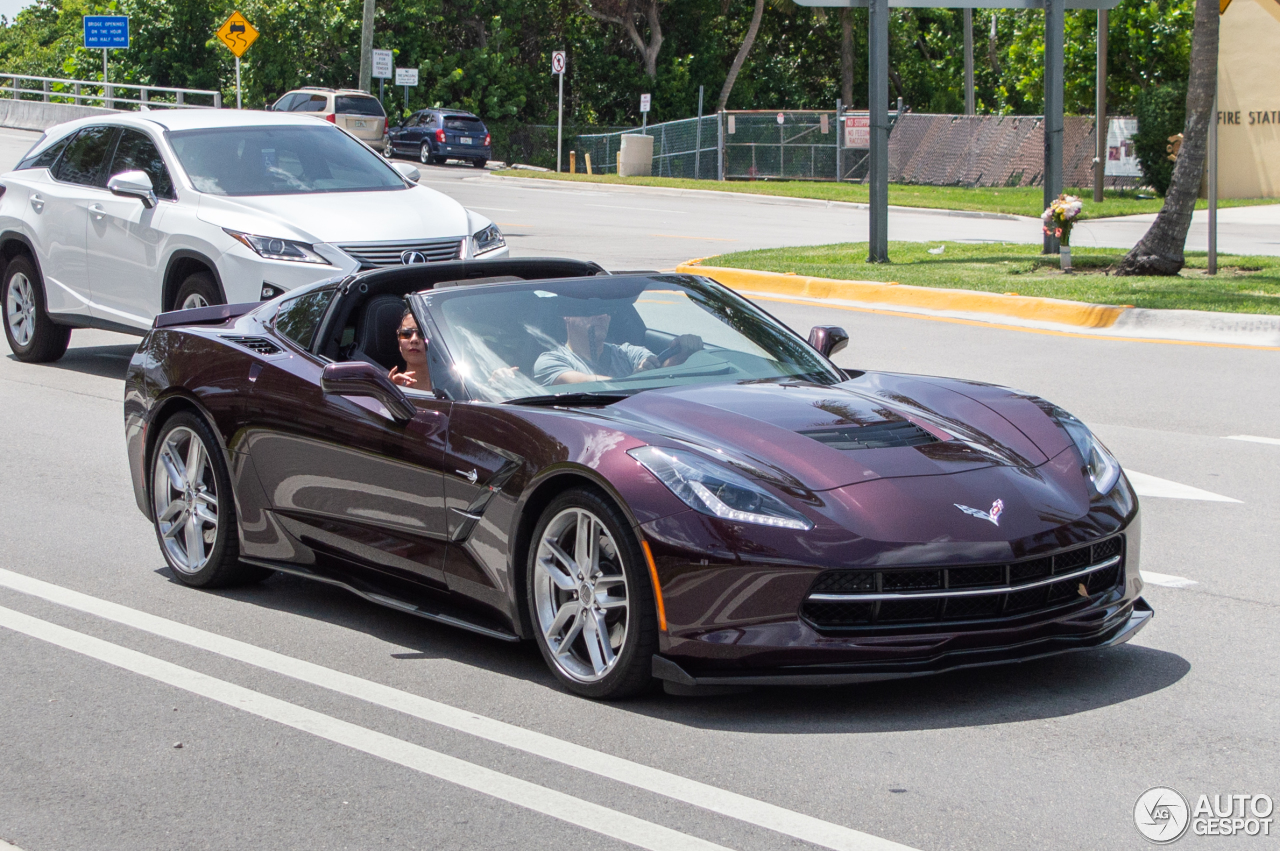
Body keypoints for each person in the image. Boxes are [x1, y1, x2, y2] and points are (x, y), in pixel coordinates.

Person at [534, 310, 701, 386]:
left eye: (606, 311)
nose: (600, 316)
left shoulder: (628, 352)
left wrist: (681, 355)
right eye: (589, 311)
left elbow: (659, 369)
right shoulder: (549, 362)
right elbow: (585, 384)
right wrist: (632, 381)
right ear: (567, 317)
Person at [389, 308, 431, 391]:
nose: (414, 340)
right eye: (406, 333)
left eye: (422, 333)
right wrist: (390, 393)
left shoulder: (460, 387)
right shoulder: (387, 387)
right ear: (399, 341)